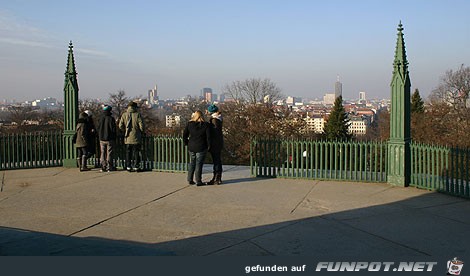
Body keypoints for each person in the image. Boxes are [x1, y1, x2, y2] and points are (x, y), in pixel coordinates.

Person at [183, 110, 211, 186]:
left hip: (191, 146)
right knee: (199, 164)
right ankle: (198, 181)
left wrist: (186, 143)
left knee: (192, 163)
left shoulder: (190, 124)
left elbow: (185, 135)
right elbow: (208, 137)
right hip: (201, 146)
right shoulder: (206, 125)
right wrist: (209, 146)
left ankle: (190, 179)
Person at [119, 101, 145, 172]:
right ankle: (136, 166)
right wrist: (141, 131)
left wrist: (125, 130)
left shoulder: (124, 115)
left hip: (127, 137)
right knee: (136, 152)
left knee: (128, 153)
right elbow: (141, 126)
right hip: (136, 136)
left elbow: (120, 126)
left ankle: (128, 166)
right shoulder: (137, 115)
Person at [206, 104, 224, 185]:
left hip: (215, 143)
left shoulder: (214, 120)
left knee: (216, 160)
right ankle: (217, 177)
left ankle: (217, 177)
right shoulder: (218, 118)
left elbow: (214, 132)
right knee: (217, 160)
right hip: (218, 142)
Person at [98, 105, 117, 172]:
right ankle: (109, 166)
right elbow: (113, 129)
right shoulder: (111, 118)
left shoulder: (101, 118)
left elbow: (98, 128)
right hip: (109, 138)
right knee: (109, 153)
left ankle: (103, 166)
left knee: (102, 152)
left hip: (101, 138)